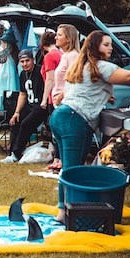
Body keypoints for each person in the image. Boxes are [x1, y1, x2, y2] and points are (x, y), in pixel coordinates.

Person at [50, 30, 130, 223]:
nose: (110, 48)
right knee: (72, 170)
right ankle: (65, 213)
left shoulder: (82, 65)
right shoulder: (101, 66)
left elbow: (82, 89)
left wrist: (103, 93)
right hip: (74, 119)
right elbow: (127, 77)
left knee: (68, 169)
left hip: (60, 116)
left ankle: (64, 210)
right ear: (95, 47)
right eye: (106, 45)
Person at [0, 49, 48, 163]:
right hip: (30, 105)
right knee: (15, 120)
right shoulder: (22, 74)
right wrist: (17, 112)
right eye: (22, 61)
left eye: (27, 60)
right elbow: (22, 94)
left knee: (26, 124)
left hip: (41, 106)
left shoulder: (40, 71)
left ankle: (16, 153)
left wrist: (44, 101)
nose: (25, 64)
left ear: (33, 60)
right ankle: (12, 153)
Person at [48, 24, 81, 171]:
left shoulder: (73, 55)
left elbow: (75, 79)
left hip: (66, 104)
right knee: (58, 138)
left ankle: (68, 170)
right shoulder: (64, 55)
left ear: (68, 39)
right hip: (59, 104)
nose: (55, 37)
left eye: (59, 35)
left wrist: (62, 95)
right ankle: (62, 166)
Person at [0, 29, 20, 110]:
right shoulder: (11, 52)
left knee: (8, 96)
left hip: (8, 78)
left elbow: (0, 62)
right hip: (7, 78)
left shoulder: (6, 52)